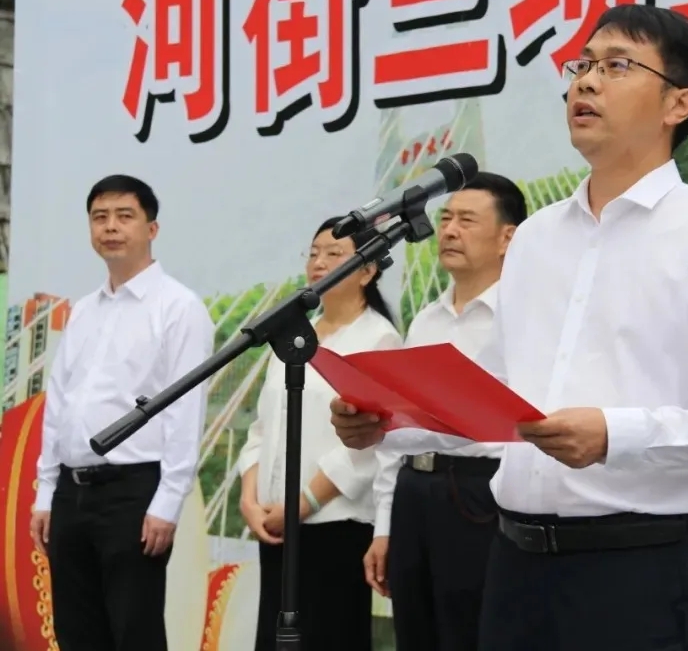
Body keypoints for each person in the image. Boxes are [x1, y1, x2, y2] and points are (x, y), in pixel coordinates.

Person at [332, 3, 688, 651]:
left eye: (617, 66)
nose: (587, 81)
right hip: (512, 562)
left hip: (633, 570)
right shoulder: (537, 238)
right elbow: (499, 400)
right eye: (583, 65)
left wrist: (613, 435)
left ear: (677, 104)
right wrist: (391, 423)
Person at [29, 174, 214, 651]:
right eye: (100, 217)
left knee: (134, 632)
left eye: (124, 216)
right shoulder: (84, 310)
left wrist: (168, 501)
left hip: (133, 492)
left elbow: (185, 410)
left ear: (152, 229)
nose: (110, 227)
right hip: (71, 493)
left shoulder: (179, 308)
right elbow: (59, 404)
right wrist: (46, 492)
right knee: (76, 632)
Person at [365, 171, 527, 651]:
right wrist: (384, 525)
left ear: (507, 238)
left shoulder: (523, 320)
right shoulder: (425, 320)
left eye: (467, 221)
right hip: (414, 490)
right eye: (446, 219)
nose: (450, 231)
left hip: (479, 494)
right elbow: (398, 428)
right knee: (416, 632)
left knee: (472, 633)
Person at [237, 216, 403, 651]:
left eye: (334, 254)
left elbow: (370, 446)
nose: (319, 262)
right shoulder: (295, 336)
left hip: (334, 527)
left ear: (368, 271)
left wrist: (303, 503)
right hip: (275, 525)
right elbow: (262, 426)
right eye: (313, 253)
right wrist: (249, 498)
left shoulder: (379, 339)